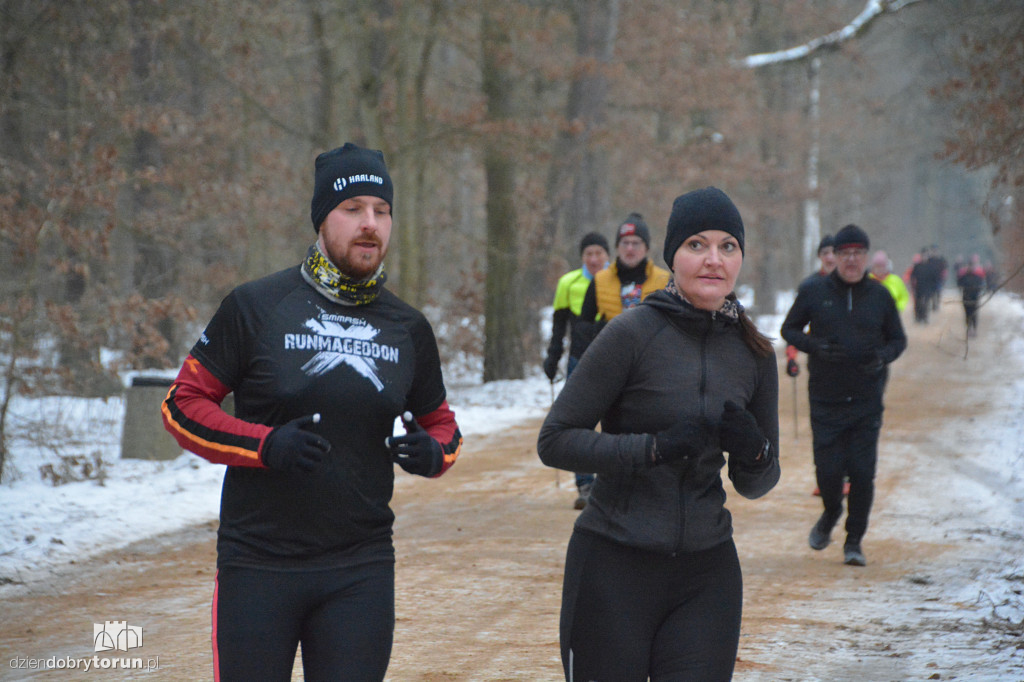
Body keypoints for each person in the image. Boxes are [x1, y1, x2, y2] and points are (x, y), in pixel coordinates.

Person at [161, 142, 463, 681]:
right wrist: (263, 444)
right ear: (322, 218)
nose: (369, 224)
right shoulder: (256, 306)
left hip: (360, 568)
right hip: (257, 564)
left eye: (382, 210)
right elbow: (182, 406)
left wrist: (433, 452)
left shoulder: (408, 327)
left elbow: (443, 425)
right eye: (352, 210)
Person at [538, 186, 780, 681]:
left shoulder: (754, 353)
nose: (713, 260)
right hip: (613, 567)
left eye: (727, 246)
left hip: (706, 576)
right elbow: (556, 439)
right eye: (697, 245)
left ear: (740, 258)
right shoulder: (632, 334)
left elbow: (758, 483)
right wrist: (653, 449)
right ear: (672, 257)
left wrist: (755, 451)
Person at [781, 223, 906, 567]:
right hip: (825, 399)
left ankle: (854, 540)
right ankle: (831, 511)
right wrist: (815, 346)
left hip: (866, 400)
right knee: (829, 472)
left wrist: (882, 357)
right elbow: (788, 329)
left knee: (863, 474)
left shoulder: (880, 296)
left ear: (867, 256)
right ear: (833, 256)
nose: (851, 259)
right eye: (845, 253)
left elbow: (898, 340)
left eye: (858, 253)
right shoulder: (814, 291)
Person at [543, 232, 610, 509]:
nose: (594, 259)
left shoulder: (617, 283)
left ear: (608, 256)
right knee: (579, 423)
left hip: (613, 361)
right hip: (579, 361)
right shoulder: (568, 283)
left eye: (599, 254)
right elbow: (560, 327)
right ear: (582, 257)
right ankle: (585, 484)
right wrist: (552, 357)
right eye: (588, 254)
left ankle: (611, 480)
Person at [578, 212, 670, 333]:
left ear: (646, 247)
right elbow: (583, 325)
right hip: (610, 348)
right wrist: (600, 331)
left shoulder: (663, 280)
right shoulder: (600, 279)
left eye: (635, 243)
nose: (629, 249)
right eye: (625, 243)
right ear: (617, 246)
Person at [956, 253, 987, 337]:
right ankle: (969, 328)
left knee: (975, 314)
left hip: (975, 298)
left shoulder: (978, 277)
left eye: (972, 266)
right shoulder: (963, 276)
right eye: (970, 266)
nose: (971, 268)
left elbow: (982, 286)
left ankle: (974, 329)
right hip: (966, 297)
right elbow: (959, 284)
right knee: (967, 314)